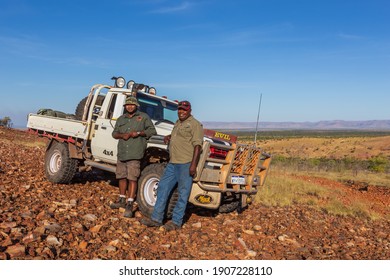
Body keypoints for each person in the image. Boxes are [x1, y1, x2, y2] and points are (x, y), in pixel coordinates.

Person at [141, 100, 204, 231]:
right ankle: (156, 219)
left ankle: (176, 222)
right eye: (179, 109)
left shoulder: (195, 124)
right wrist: (169, 136)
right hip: (173, 163)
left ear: (189, 111)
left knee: (182, 193)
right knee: (162, 187)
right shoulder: (178, 123)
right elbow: (180, 135)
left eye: (184, 110)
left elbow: (197, 146)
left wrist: (193, 165)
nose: (181, 112)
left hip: (185, 164)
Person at [110, 96, 157, 218]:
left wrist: (138, 133)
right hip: (122, 152)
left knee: (132, 178)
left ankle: (130, 202)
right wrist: (122, 135)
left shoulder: (143, 117)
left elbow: (152, 131)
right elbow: (114, 134)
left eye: (132, 105)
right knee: (121, 176)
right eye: (127, 105)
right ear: (125, 106)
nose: (130, 106)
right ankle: (121, 200)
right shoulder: (121, 119)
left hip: (135, 153)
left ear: (136, 106)